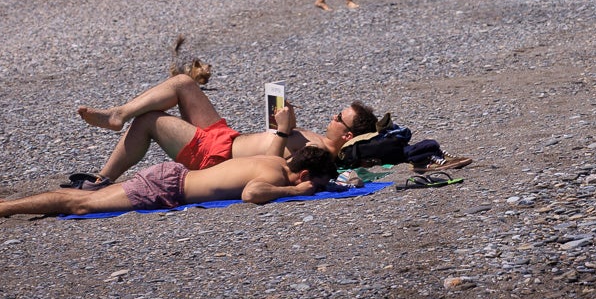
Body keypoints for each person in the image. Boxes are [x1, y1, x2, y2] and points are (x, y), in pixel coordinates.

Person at [75, 75, 377, 187]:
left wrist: (283, 133)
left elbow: (275, 169)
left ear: (347, 135)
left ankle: (103, 178)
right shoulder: (319, 141)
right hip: (228, 137)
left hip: (216, 156)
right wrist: (282, 123)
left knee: (149, 120)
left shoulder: (321, 155)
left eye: (339, 117)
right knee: (183, 83)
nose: (332, 116)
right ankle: (119, 114)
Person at [0, 144, 338, 225]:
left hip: (171, 178)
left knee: (78, 197)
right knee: (80, 205)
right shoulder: (276, 177)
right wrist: (296, 192)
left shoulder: (274, 159)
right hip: (168, 189)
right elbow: (251, 194)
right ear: (303, 175)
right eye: (316, 184)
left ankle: (6, 204)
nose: (316, 189)